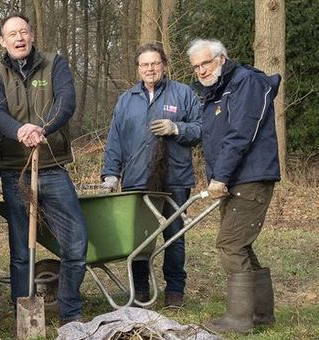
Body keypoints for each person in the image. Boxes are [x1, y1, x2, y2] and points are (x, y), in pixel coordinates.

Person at [0, 14, 87, 324]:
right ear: (2, 41)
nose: (19, 38)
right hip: (16, 172)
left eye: (23, 32)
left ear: (32, 35)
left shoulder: (54, 63)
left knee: (76, 241)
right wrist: (19, 131)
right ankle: (24, 315)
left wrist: (41, 128)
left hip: (52, 166)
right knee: (20, 250)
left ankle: (70, 312)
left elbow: (66, 102)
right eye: (11, 34)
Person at [186, 38, 280, 334]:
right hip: (235, 178)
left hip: (250, 177)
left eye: (206, 63)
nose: (201, 70)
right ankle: (261, 314)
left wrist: (221, 177)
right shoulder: (216, 91)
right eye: (196, 66)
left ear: (221, 59)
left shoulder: (245, 83)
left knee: (230, 244)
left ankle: (239, 319)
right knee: (241, 244)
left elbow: (241, 134)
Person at [101, 42, 202, 308]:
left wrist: (177, 128)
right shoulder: (126, 100)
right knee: (138, 238)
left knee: (175, 236)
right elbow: (115, 140)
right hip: (136, 180)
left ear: (164, 65)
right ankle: (141, 289)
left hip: (175, 179)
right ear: (138, 69)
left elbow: (201, 129)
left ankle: (175, 291)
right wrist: (111, 174)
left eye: (155, 63)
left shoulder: (183, 94)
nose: (150, 69)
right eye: (144, 64)